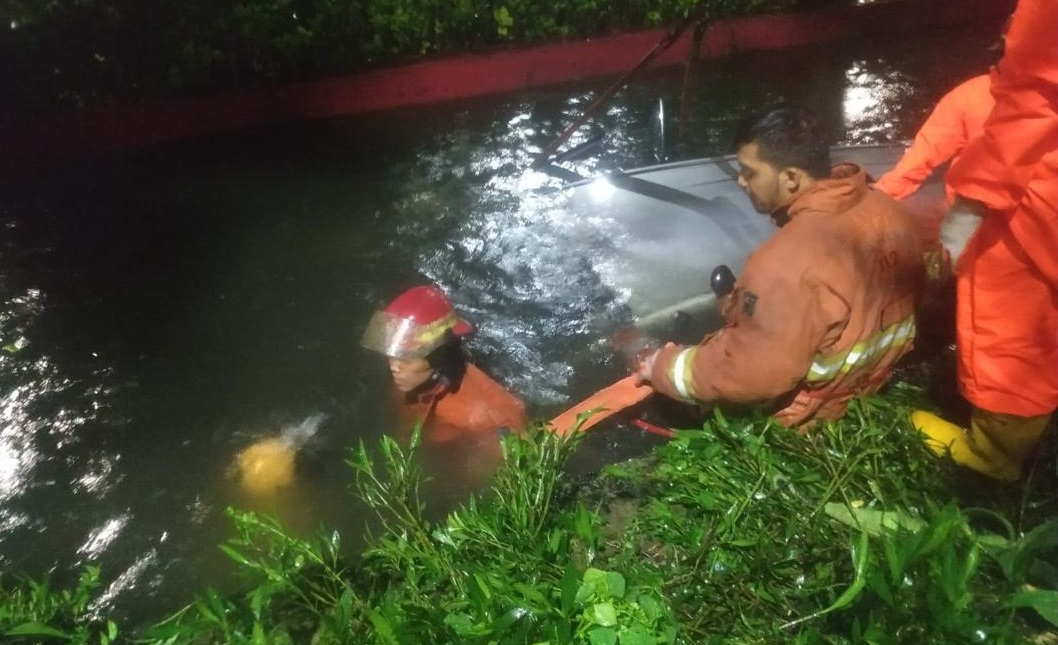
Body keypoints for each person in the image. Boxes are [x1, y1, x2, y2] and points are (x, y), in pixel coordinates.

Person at [635, 103, 925, 429]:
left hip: (812, 415)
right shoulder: (894, 214)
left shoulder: (785, 264)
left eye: (750, 172)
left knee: (669, 403)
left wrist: (664, 367)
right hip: (871, 384)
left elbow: (747, 374)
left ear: (790, 177)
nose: (742, 182)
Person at [911, 0, 1058, 481]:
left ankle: (994, 453)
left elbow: (1034, 97)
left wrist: (971, 202)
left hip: (1030, 192)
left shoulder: (970, 95)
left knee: (1009, 317)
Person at [360, 284, 527, 491]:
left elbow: (480, 485)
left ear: (437, 355)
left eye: (406, 357)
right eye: (393, 354)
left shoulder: (481, 414)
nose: (394, 366)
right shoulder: (413, 378)